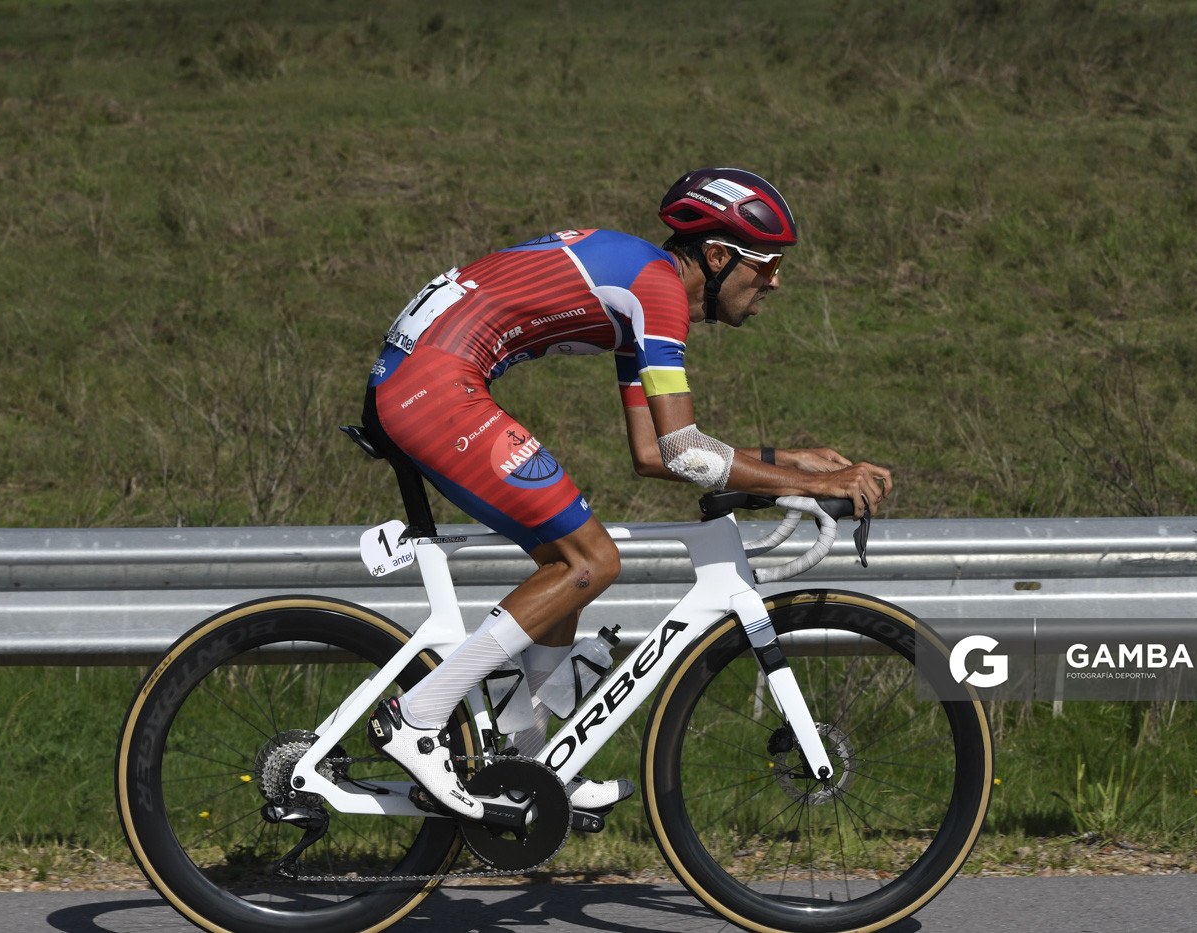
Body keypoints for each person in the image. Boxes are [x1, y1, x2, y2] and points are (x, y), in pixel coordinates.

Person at [363, 168, 893, 821]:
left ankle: (529, 757)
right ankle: (417, 716)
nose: (776, 282)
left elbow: (655, 453)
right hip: (433, 386)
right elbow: (685, 452)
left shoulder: (638, 289)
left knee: (570, 568)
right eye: (769, 264)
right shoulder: (658, 290)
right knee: (590, 561)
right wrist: (817, 483)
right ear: (719, 256)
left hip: (422, 376)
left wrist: (787, 460)